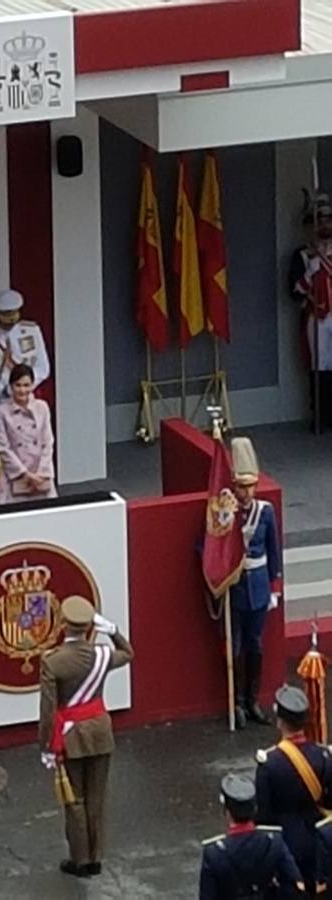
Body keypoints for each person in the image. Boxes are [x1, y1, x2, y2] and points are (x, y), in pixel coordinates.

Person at [38, 595, 134, 878]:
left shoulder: (53, 662)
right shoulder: (103, 654)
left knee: (74, 799)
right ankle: (96, 856)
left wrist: (46, 746)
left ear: (64, 625)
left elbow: (48, 711)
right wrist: (113, 631)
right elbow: (128, 653)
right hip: (101, 731)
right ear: (90, 626)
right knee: (98, 797)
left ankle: (80, 859)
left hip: (70, 738)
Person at [256, 685, 332, 894]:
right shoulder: (323, 755)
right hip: (320, 839)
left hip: (287, 845)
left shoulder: (269, 763)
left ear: (279, 721)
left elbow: (264, 817)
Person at [229, 437, 282, 730]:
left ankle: (252, 700)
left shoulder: (266, 512)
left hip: (259, 585)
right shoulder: (225, 511)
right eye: (240, 487)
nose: (245, 493)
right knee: (235, 647)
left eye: (249, 487)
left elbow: (274, 551)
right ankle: (236, 701)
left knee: (256, 645)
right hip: (235, 588)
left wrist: (275, 587)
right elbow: (208, 546)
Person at [199, 773, 305, 899]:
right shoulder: (274, 841)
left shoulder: (214, 853)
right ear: (254, 809)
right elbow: (295, 884)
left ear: (227, 812)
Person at [0, 289, 50, 439]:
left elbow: (43, 368)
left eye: (14, 313)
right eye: (6, 314)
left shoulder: (31, 331)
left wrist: (24, 387)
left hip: (27, 401)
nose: (11, 318)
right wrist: (5, 390)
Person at [290, 193, 332, 428]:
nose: (325, 224)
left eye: (328, 220)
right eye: (320, 220)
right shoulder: (304, 255)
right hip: (318, 316)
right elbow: (294, 290)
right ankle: (320, 415)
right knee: (320, 365)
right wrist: (311, 270)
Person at [0, 363, 56, 504]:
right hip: (15, 475)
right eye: (18, 385)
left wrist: (40, 473)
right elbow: (3, 448)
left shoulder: (42, 407)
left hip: (41, 475)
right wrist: (25, 474)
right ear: (11, 386)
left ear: (33, 385)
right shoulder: (1, 411)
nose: (22, 390)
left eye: (26, 385)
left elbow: (48, 442)